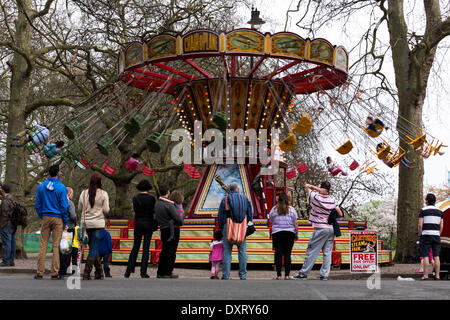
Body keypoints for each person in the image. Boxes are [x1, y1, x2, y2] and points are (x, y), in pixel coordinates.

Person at [293, 182, 343, 280]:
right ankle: (324, 275)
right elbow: (340, 213)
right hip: (331, 228)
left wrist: (315, 188)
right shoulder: (332, 200)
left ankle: (303, 274)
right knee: (327, 252)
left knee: (312, 251)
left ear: (321, 188)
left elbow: (306, 186)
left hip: (320, 228)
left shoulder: (315, 197)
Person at [34, 165, 69, 280]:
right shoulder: (61, 187)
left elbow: (37, 204)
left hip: (46, 216)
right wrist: (65, 221)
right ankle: (55, 272)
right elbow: (64, 206)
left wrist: (41, 214)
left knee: (43, 244)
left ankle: (40, 272)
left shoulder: (41, 186)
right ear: (58, 173)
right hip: (58, 218)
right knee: (55, 245)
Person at [218, 182, 253, 280]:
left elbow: (220, 215)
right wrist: (248, 223)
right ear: (237, 189)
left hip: (228, 226)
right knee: (242, 251)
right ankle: (243, 275)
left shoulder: (225, 199)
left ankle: (226, 275)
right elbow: (250, 214)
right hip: (242, 227)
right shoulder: (245, 199)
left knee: (227, 251)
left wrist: (222, 227)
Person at [78, 173, 110, 280]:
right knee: (94, 248)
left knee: (93, 247)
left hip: (86, 224)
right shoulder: (103, 194)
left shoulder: (83, 193)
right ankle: (86, 273)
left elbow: (79, 208)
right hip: (99, 223)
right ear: (100, 182)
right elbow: (106, 210)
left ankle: (100, 273)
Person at [125, 179, 157, 278]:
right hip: (148, 223)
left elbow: (135, 210)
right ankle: (143, 271)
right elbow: (154, 211)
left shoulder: (135, 198)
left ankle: (129, 270)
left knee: (135, 246)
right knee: (146, 248)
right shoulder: (152, 198)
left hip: (138, 222)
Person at [155, 184, 184, 279]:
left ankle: (160, 271)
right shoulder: (169, 205)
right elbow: (178, 218)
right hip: (172, 229)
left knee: (164, 250)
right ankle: (168, 271)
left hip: (163, 228)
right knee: (171, 251)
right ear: (168, 192)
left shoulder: (157, 204)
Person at [269, 193, 299, 280]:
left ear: (278, 200)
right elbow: (296, 223)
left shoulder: (274, 209)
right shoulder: (292, 210)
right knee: (287, 254)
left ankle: (278, 275)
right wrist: (296, 234)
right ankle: (287, 275)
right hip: (289, 233)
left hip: (277, 233)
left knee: (278, 254)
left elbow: (271, 220)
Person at [418, 193, 444, 280]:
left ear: (427, 201)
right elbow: (441, 226)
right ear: (435, 201)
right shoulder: (440, 211)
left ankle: (425, 275)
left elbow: (420, 225)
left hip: (426, 235)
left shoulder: (423, 210)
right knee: (436, 256)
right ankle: (437, 275)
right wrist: (438, 233)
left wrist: (420, 234)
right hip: (436, 235)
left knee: (425, 255)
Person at [59, 187, 77, 277]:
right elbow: (73, 215)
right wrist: (76, 222)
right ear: (69, 194)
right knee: (66, 250)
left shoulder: (59, 202)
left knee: (61, 249)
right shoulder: (70, 203)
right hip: (69, 227)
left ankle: (59, 269)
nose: (72, 195)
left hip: (60, 227)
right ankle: (64, 270)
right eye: (72, 193)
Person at [0, 185, 17, 267]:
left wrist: (2, 224)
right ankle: (11, 260)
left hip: (6, 224)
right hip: (13, 224)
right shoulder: (13, 199)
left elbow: (5, 214)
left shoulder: (5, 201)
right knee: (12, 242)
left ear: (3, 190)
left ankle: (6, 260)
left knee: (6, 243)